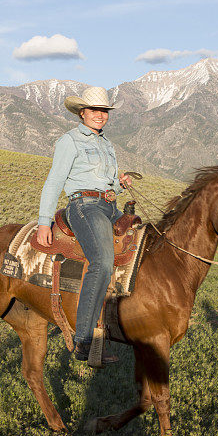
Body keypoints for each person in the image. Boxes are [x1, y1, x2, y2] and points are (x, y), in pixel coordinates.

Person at [36, 86, 132, 363]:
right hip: (84, 206)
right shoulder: (70, 141)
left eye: (103, 111)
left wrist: (120, 184)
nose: (99, 116)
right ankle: (84, 340)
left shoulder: (107, 145)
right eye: (94, 110)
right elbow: (55, 181)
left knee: (141, 242)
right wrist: (44, 222)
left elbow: (109, 185)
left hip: (109, 205)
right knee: (102, 261)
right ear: (82, 113)